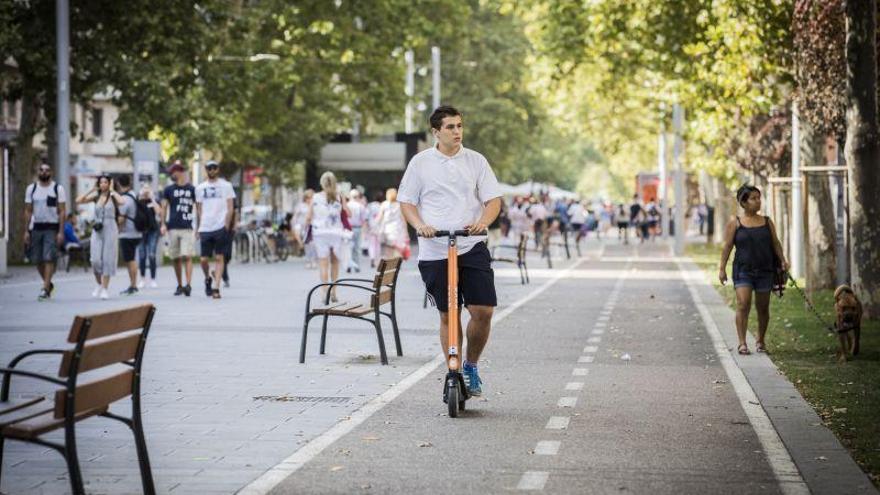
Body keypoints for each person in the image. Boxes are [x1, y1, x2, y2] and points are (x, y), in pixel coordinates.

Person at [398, 105, 502, 397]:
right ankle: (453, 370)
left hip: (470, 244)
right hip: (435, 249)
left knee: (483, 311)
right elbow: (407, 201)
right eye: (450, 127)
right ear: (436, 132)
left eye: (459, 126)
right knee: (449, 314)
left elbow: (493, 200)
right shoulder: (421, 163)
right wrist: (420, 225)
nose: (457, 131)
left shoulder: (476, 161)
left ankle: (470, 365)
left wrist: (483, 222)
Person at [718, 185, 788, 355]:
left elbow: (775, 243)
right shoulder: (735, 223)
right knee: (743, 304)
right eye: (753, 198)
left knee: (763, 308)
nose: (758, 202)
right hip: (743, 270)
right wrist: (722, 268)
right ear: (743, 202)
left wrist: (783, 260)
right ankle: (742, 343)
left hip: (765, 270)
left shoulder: (766, 221)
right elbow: (727, 247)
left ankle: (760, 340)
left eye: (759, 198)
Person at [24, 162, 67, 300]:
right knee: (37, 259)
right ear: (38, 172)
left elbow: (62, 211)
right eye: (41, 170)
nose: (44, 172)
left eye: (47, 170)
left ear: (51, 173)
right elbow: (28, 210)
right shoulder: (32, 189)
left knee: (48, 257)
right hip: (36, 227)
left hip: (52, 227)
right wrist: (26, 231)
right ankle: (48, 284)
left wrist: (61, 231)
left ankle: (44, 288)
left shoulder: (57, 188)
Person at [76, 175, 122, 300]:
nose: (103, 184)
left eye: (105, 182)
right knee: (95, 260)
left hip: (110, 228)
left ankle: (105, 289)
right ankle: (99, 284)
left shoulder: (113, 197)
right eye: (101, 182)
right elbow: (78, 200)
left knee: (107, 259)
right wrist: (92, 190)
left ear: (109, 183)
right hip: (98, 229)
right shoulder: (96, 197)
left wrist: (112, 190)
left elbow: (122, 201)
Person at [195, 160, 236, 299]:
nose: (212, 170)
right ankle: (208, 278)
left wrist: (226, 225)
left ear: (218, 169)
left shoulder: (227, 186)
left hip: (220, 226)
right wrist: (198, 227)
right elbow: (199, 209)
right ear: (206, 170)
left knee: (219, 257)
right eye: (209, 168)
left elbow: (230, 207)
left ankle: (216, 288)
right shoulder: (200, 188)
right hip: (205, 226)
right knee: (203, 260)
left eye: (214, 168)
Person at [306, 171, 348, 302]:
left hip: (320, 234)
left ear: (321, 183)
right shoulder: (340, 196)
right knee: (335, 264)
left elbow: (308, 217)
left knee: (323, 264)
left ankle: (325, 292)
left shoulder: (315, 197)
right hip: (336, 233)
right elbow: (348, 213)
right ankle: (334, 291)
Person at [161, 161, 196, 296]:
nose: (171, 174)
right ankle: (180, 285)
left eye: (173, 172)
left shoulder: (192, 189)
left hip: (187, 227)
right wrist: (163, 224)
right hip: (173, 227)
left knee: (187, 255)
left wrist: (198, 226)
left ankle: (188, 285)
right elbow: (164, 207)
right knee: (176, 257)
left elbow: (198, 208)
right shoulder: (169, 190)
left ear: (180, 172)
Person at [116, 175, 142, 296]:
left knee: (130, 260)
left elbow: (121, 219)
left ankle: (133, 285)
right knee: (132, 258)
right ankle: (133, 284)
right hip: (137, 231)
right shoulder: (134, 194)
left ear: (119, 184)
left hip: (127, 233)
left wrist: (115, 228)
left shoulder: (124, 199)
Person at [136, 185, 162, 289]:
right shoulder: (139, 201)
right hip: (141, 231)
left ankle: (153, 279)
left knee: (151, 255)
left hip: (153, 231)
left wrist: (152, 198)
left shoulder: (153, 201)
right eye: (144, 189)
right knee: (142, 255)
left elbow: (158, 212)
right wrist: (140, 197)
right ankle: (142, 279)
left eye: (148, 188)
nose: (146, 191)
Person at [376, 188, 409, 259]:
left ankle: (390, 267)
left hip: (387, 231)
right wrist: (406, 232)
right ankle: (397, 265)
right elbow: (403, 220)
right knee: (398, 249)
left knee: (389, 250)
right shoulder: (400, 205)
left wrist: (375, 227)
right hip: (398, 230)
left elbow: (379, 218)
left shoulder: (384, 204)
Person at [346, 189, 367, 273]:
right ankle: (356, 265)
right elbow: (364, 220)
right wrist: (364, 231)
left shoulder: (346, 205)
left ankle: (349, 265)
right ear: (358, 197)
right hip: (357, 228)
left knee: (348, 248)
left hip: (348, 229)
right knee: (357, 248)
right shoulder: (361, 206)